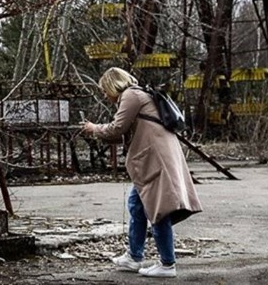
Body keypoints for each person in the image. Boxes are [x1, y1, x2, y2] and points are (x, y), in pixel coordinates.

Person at [81, 67, 202, 278]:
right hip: (152, 160)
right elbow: (124, 132)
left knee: (158, 210)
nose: (104, 95)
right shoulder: (138, 95)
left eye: (104, 90)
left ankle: (167, 264)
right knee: (137, 206)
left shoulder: (130, 95)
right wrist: (99, 131)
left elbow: (117, 128)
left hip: (155, 161)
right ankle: (134, 257)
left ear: (113, 85)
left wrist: (94, 128)